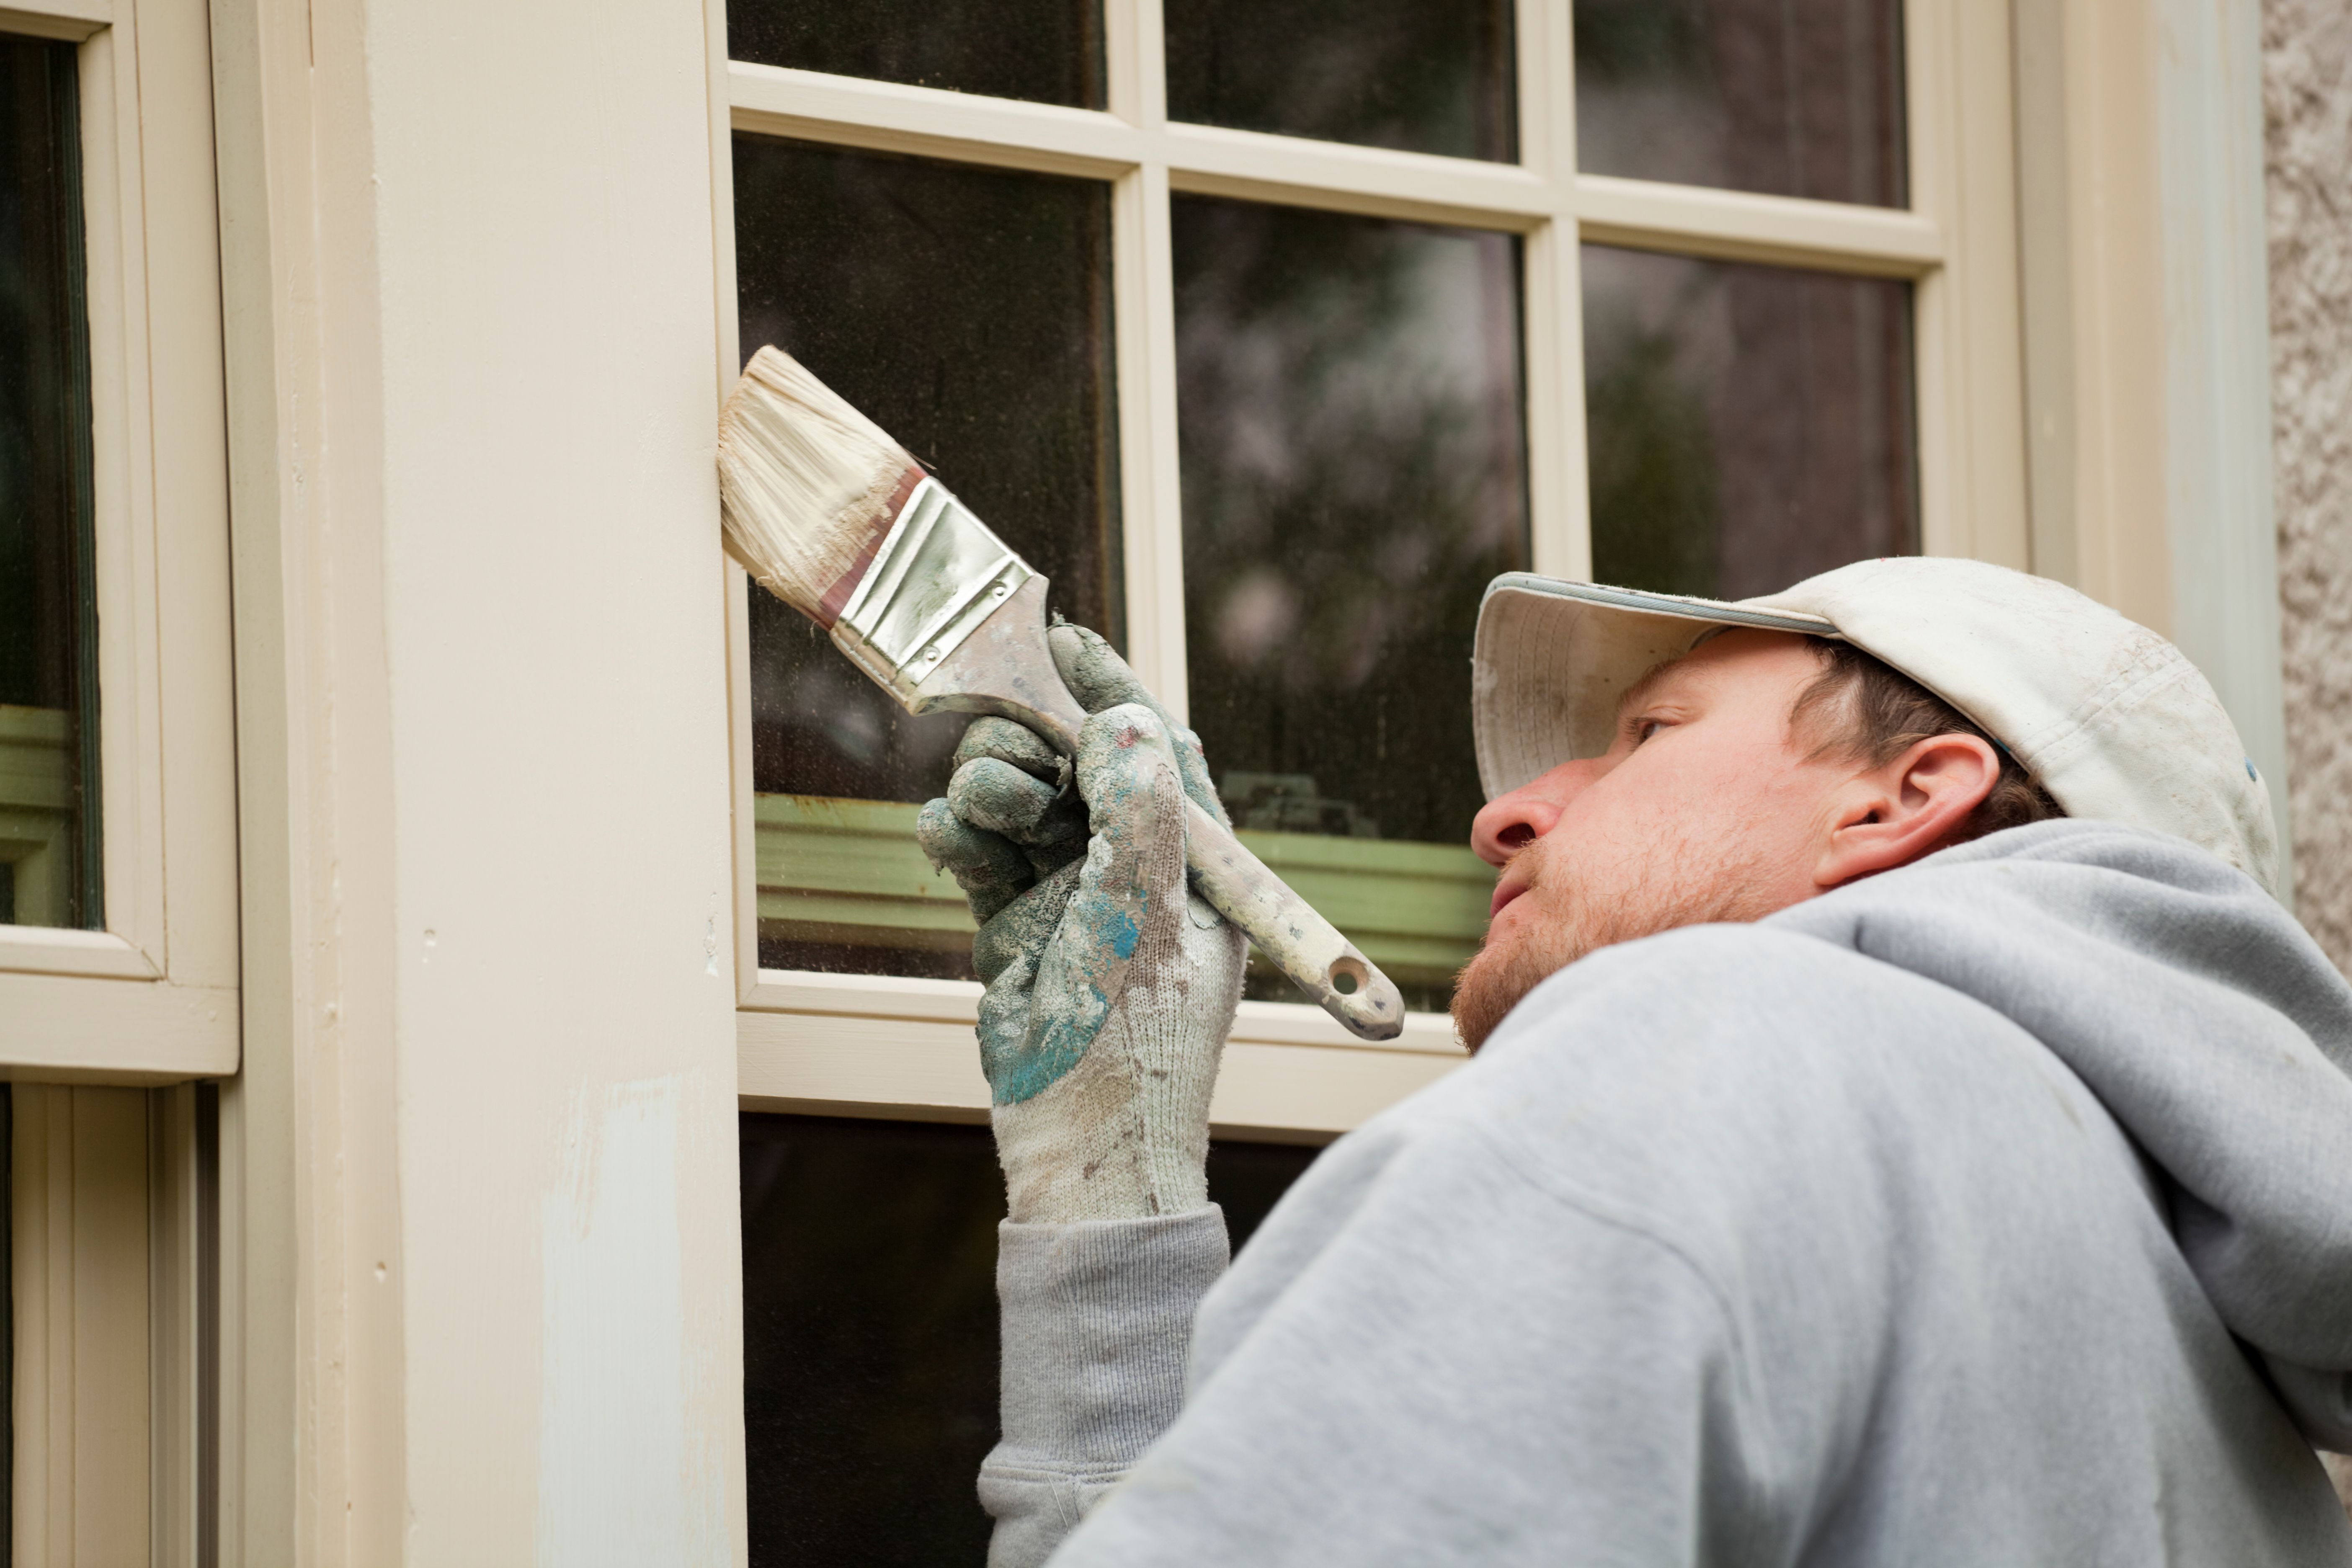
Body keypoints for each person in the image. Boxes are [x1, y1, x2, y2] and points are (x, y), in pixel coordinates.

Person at [915, 556, 2352, 1567]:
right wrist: (1115, 1193)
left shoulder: (1710, 1051)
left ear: (1905, 799)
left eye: (1648, 733)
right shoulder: (2245, 1444)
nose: (1508, 817)